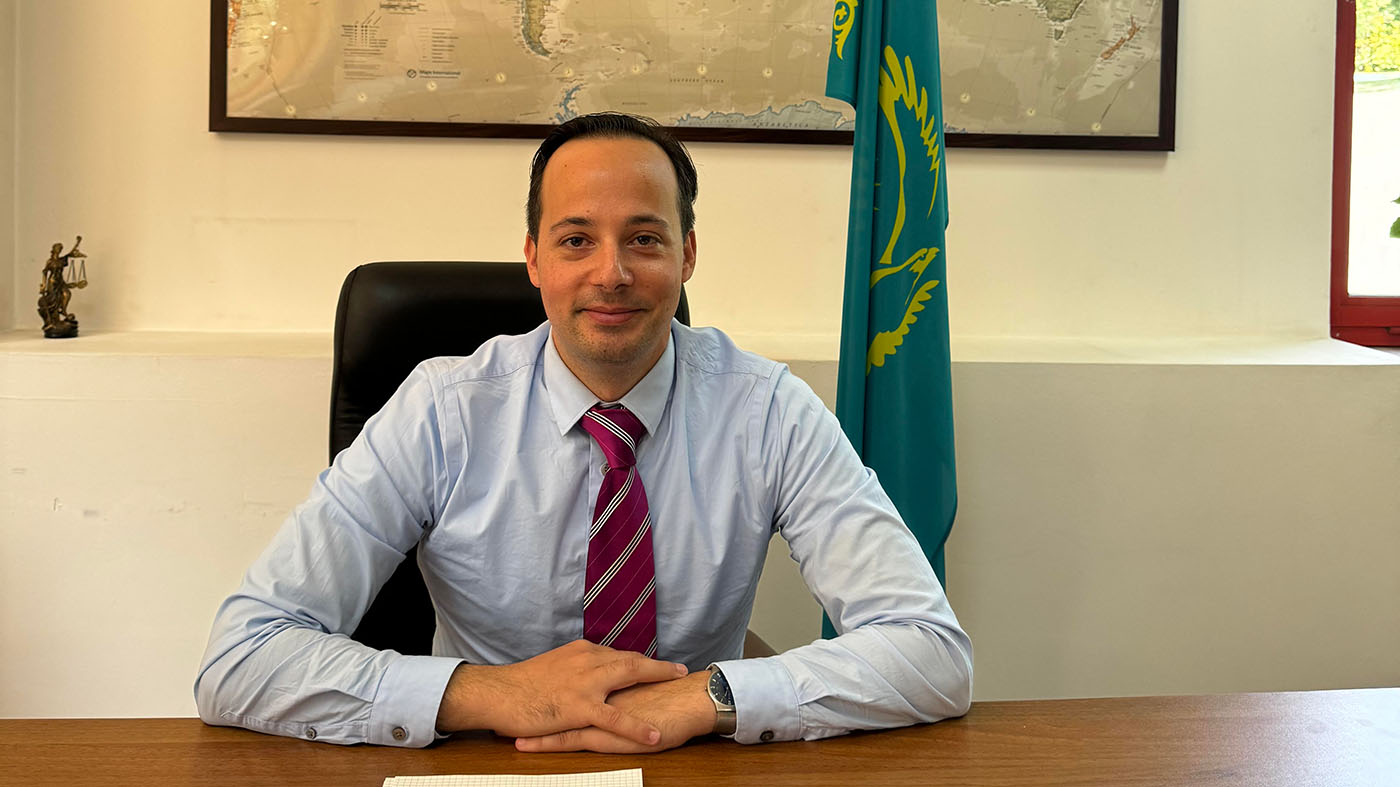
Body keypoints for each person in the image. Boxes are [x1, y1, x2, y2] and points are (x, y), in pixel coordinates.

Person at [195, 113, 972, 752]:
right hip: (488, 758)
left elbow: (931, 651)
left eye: (644, 238)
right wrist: (489, 691)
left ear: (686, 255)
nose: (612, 273)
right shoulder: (442, 408)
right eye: (575, 240)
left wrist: (713, 695)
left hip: (692, 755)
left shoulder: (769, 407)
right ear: (533, 259)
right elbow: (241, 656)